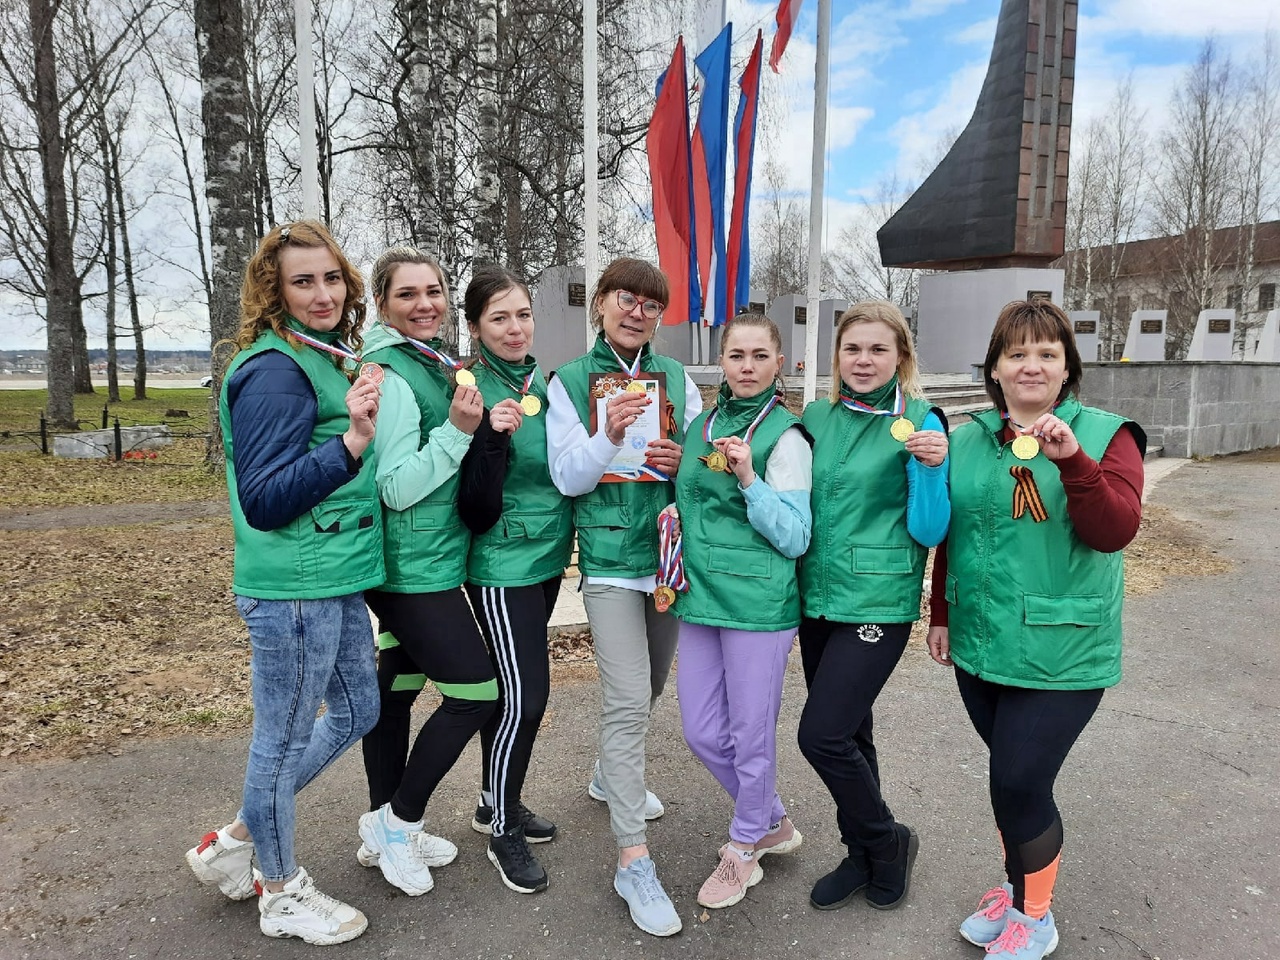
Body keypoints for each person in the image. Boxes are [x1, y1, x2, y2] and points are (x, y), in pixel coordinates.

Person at [926, 299, 1144, 960]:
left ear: (1067, 368)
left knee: (1020, 782)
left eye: (1047, 353)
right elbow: (952, 533)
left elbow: (1114, 531)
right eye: (1017, 353)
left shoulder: (1108, 436)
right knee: (1007, 781)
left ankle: (1036, 917)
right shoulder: (965, 439)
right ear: (994, 368)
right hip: (979, 642)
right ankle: (1018, 887)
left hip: (1062, 648)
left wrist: (1073, 461)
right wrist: (939, 613)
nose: (1031, 365)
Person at [185, 221, 383, 945]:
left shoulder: (323, 357)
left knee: (359, 708)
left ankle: (238, 836)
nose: (323, 292)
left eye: (331, 277)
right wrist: (353, 443)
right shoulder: (274, 370)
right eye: (304, 281)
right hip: (292, 589)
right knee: (281, 738)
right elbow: (266, 497)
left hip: (332, 576)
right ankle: (281, 889)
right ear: (275, 291)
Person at [546, 257, 702, 937]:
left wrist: (683, 460)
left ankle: (610, 775)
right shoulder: (572, 382)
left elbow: (700, 467)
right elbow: (568, 479)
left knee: (650, 688)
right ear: (601, 304)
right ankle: (632, 860)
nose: (637, 311)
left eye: (649, 303)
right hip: (609, 560)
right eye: (625, 299)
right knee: (624, 698)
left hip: (663, 559)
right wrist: (609, 433)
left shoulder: (676, 379)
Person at [796, 300, 950, 913]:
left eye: (878, 349)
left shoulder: (920, 421)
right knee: (852, 734)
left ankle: (886, 843)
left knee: (821, 735)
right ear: (837, 356)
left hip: (877, 603)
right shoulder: (814, 416)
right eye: (853, 348)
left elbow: (931, 529)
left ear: (901, 357)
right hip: (817, 600)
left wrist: (933, 469)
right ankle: (859, 851)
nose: (864, 360)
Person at [354, 247, 497, 898]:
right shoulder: (392, 373)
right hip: (412, 566)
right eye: (408, 294)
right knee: (475, 693)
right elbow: (394, 487)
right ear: (382, 305)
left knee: (399, 689)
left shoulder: (424, 362)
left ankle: (381, 822)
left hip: (421, 558)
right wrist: (459, 434)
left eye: (434, 291)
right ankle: (401, 821)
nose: (426, 304)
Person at [664, 313, 811, 910]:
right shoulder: (702, 425)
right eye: (736, 356)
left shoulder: (788, 436)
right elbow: (694, 499)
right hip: (700, 599)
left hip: (758, 605)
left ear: (779, 363)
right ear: (720, 362)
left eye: (758, 356)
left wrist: (751, 478)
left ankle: (745, 842)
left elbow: (796, 536)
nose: (746, 367)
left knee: (750, 734)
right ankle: (772, 820)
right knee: (701, 731)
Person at [455, 265, 574, 894]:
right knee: (524, 699)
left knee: (514, 695)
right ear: (475, 326)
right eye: (499, 317)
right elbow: (473, 502)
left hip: (548, 556)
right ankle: (501, 826)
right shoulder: (470, 390)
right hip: (501, 564)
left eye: (522, 314)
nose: (515, 327)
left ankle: (493, 798)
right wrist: (489, 438)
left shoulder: (546, 383)